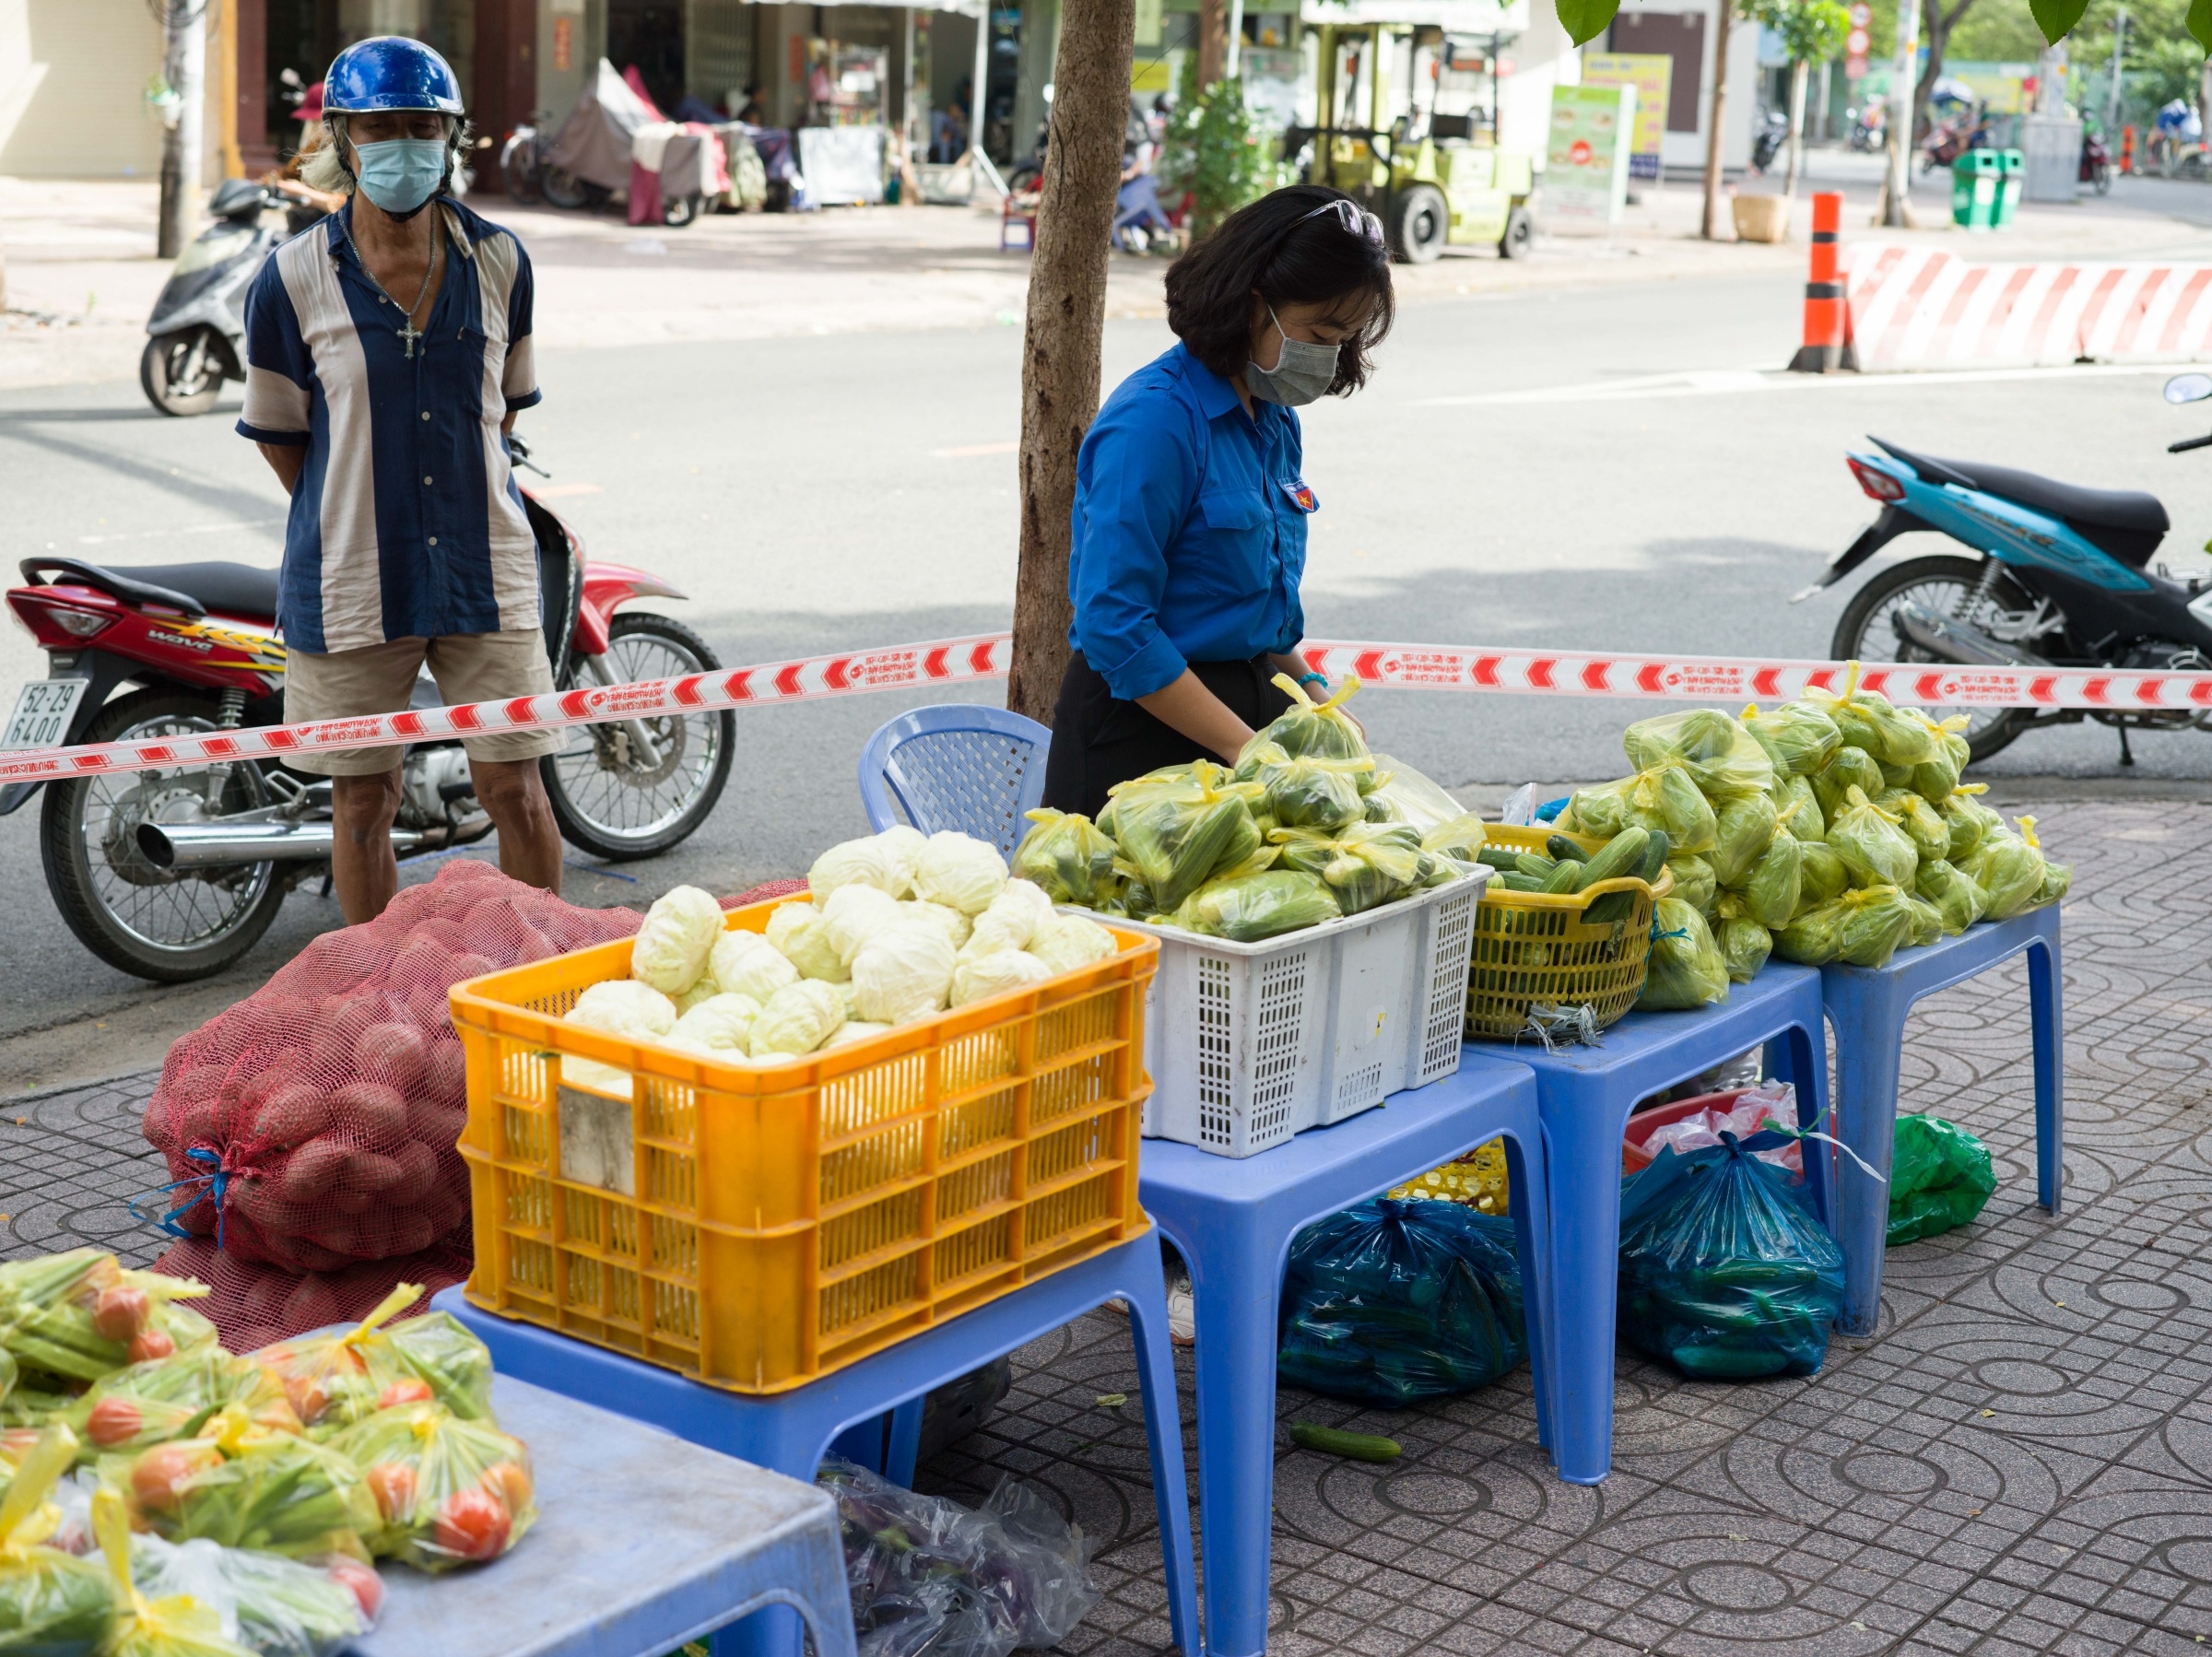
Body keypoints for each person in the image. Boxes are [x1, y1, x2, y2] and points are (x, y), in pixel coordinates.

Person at [235, 35, 563, 925]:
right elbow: (282, 437)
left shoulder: (501, 262)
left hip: (484, 569)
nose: (406, 146)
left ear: (452, 140)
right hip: (348, 580)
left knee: (516, 787)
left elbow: (505, 411)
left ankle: (536, 981)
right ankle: (382, 992)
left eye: (426, 127)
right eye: (383, 128)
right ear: (345, 140)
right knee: (362, 802)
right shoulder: (290, 281)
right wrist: (355, 503)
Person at [1040, 185, 1394, 818]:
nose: (1332, 355)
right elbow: (1116, 629)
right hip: (1142, 741)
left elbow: (1252, 608)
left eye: (1345, 338)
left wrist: (1314, 697)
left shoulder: (1272, 416)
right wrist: (1249, 750)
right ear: (1255, 303)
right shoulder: (1154, 423)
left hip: (1248, 726)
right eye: (1320, 331)